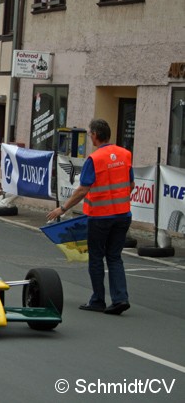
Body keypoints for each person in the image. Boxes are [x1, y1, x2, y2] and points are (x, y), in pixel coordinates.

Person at [47, 119, 134, 315]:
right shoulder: (125, 155)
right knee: (114, 256)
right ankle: (121, 298)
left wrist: (63, 209)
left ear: (94, 135)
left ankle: (98, 300)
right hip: (122, 215)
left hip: (101, 216)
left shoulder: (94, 159)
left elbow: (83, 189)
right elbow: (131, 185)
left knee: (96, 257)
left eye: (90, 134)